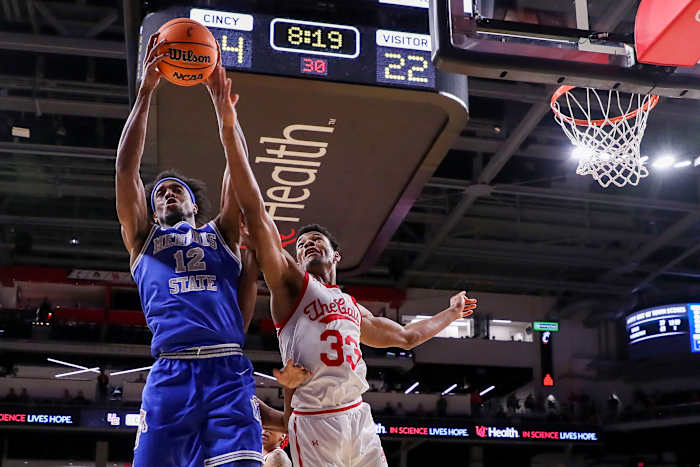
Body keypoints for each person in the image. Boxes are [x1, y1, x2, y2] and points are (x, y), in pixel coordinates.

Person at [204, 62, 478, 467]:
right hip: (314, 421)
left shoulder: (352, 308)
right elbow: (259, 215)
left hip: (358, 416)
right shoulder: (292, 285)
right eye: (301, 244)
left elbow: (406, 337)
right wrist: (229, 129)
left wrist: (450, 313)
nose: (308, 244)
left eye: (317, 241)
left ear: (336, 256)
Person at [115, 34, 305, 467]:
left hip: (226, 372)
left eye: (174, 190)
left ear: (194, 204)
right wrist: (145, 94)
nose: (164, 194)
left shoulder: (222, 232)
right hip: (170, 372)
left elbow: (240, 173)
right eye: (158, 192)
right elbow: (126, 169)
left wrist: (226, 116)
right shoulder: (143, 240)